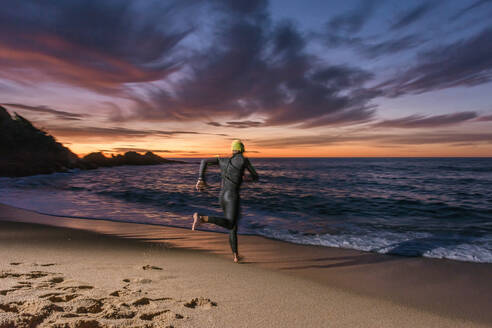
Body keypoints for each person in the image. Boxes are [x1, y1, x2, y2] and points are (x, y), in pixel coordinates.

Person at [193, 139, 259, 263]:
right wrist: (247, 178)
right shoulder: (243, 160)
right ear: (242, 149)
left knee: (233, 225)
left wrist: (201, 179)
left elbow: (204, 161)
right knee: (230, 224)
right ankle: (202, 219)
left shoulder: (223, 160)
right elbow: (256, 176)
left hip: (222, 196)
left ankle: (235, 256)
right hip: (232, 196)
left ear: (232, 150)